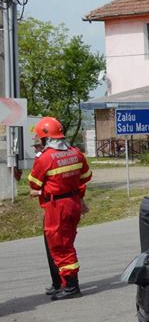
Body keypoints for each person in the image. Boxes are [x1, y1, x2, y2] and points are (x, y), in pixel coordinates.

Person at [27, 117, 91, 300]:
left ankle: (71, 286)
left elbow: (34, 185)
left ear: (46, 138)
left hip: (57, 206)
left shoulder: (45, 158)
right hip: (73, 202)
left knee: (60, 246)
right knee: (66, 242)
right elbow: (86, 176)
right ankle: (62, 283)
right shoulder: (76, 153)